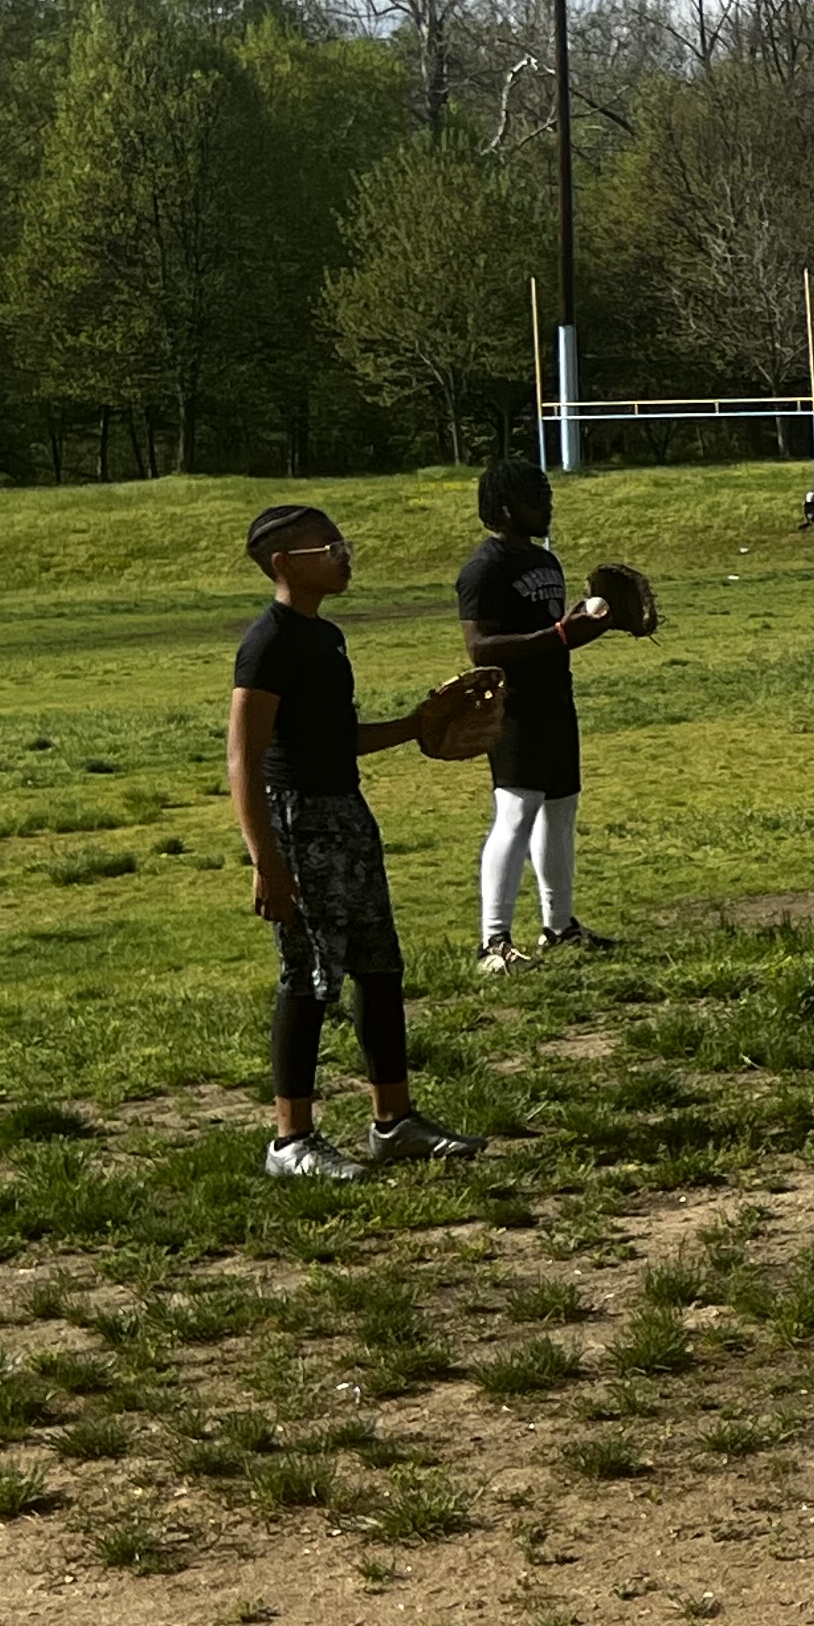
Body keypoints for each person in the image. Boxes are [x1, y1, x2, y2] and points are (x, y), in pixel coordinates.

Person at [228, 503, 490, 1180]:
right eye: (328, 547)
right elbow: (243, 756)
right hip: (297, 823)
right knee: (309, 978)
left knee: (379, 967)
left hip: (346, 812)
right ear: (284, 564)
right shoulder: (268, 642)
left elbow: (336, 738)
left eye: (341, 542)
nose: (343, 555)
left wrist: (418, 724)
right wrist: (266, 860)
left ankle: (393, 1123)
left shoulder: (327, 637)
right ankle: (290, 1141)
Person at [455, 456, 616, 971]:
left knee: (561, 810)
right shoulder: (484, 568)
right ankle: (492, 942)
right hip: (515, 706)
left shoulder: (544, 561)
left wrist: (595, 626)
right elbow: (480, 649)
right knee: (517, 811)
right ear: (507, 509)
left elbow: (553, 637)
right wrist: (561, 633)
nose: (548, 505)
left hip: (555, 699)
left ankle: (559, 926)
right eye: (537, 498)